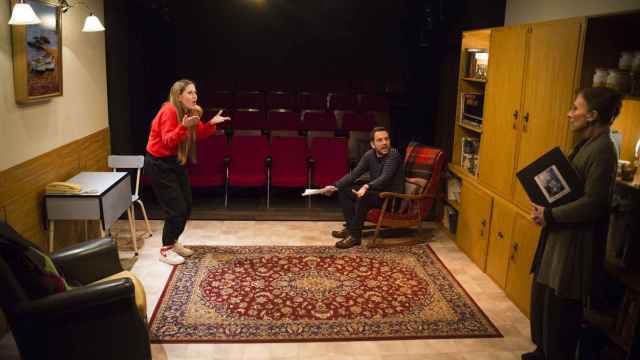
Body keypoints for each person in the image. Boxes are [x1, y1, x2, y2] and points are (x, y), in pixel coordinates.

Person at [524, 87, 622, 360]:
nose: (569, 114)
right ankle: (541, 352)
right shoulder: (585, 144)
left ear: (592, 115)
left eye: (575, 108)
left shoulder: (604, 150)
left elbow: (595, 203)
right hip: (557, 238)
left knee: (560, 311)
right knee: (543, 299)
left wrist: (551, 215)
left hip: (573, 247)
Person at [145, 79, 230, 265]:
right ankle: (165, 249)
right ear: (179, 96)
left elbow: (197, 133)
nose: (195, 96)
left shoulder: (189, 112)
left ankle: (173, 242)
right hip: (159, 164)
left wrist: (211, 124)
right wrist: (183, 126)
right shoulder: (169, 111)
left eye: (195, 92)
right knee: (176, 209)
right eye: (190, 93)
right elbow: (168, 141)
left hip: (175, 162)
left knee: (187, 205)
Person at [322, 127, 404, 249]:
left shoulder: (394, 155)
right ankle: (351, 228)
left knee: (364, 195)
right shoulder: (370, 155)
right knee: (344, 190)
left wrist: (367, 186)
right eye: (380, 140)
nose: (384, 143)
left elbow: (385, 177)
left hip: (390, 198)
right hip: (376, 193)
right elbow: (354, 174)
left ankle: (355, 237)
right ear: (372, 144)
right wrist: (334, 186)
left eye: (386, 139)